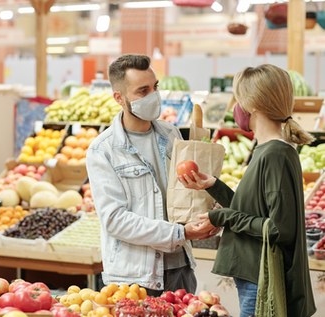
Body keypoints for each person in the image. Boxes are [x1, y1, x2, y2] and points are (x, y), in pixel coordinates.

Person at [178, 64, 316, 317]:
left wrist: (221, 217)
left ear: (253, 105)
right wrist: (215, 186)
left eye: (238, 99)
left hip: (260, 279)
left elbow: (278, 229)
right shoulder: (268, 150)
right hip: (254, 274)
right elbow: (254, 210)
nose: (235, 107)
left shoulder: (275, 153)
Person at [86, 54, 210, 296]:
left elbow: (182, 195)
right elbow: (114, 219)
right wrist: (180, 233)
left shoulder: (171, 134)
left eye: (155, 87)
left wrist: (203, 214)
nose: (153, 96)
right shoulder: (103, 150)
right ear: (119, 98)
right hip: (134, 278)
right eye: (143, 91)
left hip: (181, 269)